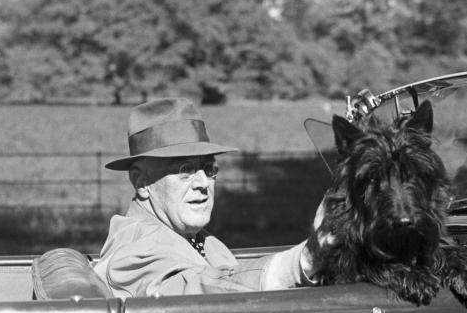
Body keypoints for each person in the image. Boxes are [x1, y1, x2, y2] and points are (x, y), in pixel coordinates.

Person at [93, 97, 319, 298]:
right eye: (185, 169)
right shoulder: (137, 251)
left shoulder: (200, 240)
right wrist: (302, 261)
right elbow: (196, 292)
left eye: (209, 168)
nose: (203, 183)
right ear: (142, 183)